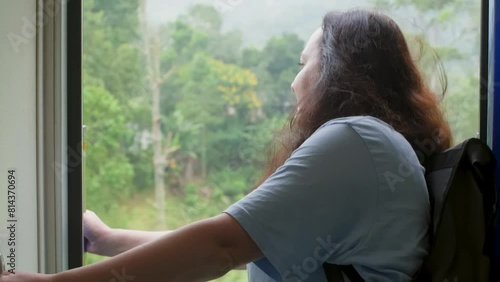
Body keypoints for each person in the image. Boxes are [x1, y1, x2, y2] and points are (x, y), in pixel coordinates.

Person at [0, 8, 452, 282]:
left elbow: (221, 247)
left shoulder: (357, 139)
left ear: (340, 73)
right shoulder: (378, 149)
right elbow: (246, 240)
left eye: (305, 63)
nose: (295, 84)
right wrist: (107, 239)